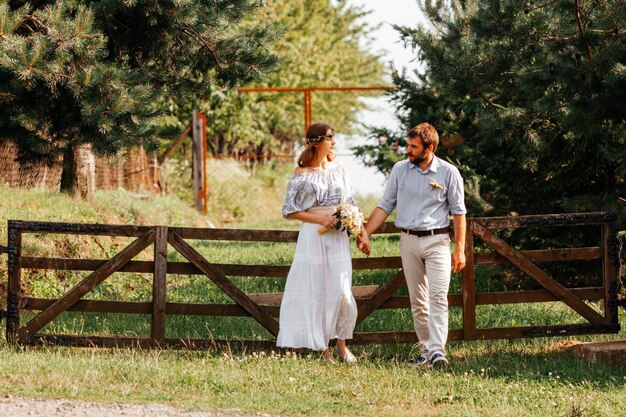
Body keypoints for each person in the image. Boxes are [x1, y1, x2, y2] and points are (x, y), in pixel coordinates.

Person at [359, 122, 466, 368]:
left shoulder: (449, 173)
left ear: (429, 148)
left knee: (438, 297)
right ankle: (426, 352)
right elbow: (385, 205)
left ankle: (438, 352)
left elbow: (459, 213)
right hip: (408, 241)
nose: (408, 150)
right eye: (408, 145)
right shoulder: (400, 170)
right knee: (417, 300)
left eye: (413, 146)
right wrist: (365, 233)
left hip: (437, 241)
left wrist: (459, 249)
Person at [277, 122, 369, 363]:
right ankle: (323, 346)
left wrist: (361, 233)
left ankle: (341, 342)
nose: (334, 142)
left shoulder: (339, 168)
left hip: (338, 235)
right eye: (330, 137)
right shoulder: (302, 173)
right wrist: (320, 218)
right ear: (317, 141)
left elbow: (352, 203)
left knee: (341, 290)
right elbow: (290, 210)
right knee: (317, 290)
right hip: (314, 236)